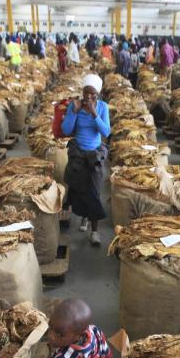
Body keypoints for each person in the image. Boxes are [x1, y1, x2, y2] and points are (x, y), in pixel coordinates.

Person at [61, 73, 111, 246]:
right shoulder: (74, 106)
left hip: (94, 154)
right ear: (82, 92)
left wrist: (95, 113)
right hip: (78, 153)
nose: (89, 97)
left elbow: (106, 132)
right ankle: (84, 217)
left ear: (98, 94)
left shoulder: (103, 107)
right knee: (79, 188)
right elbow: (66, 130)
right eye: (86, 94)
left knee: (95, 191)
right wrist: (74, 112)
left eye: (93, 95)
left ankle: (95, 231)